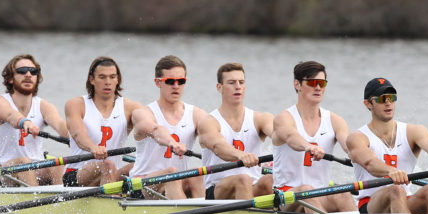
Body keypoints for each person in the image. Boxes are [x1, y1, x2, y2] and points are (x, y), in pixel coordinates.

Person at [348, 77, 428, 214]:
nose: (388, 103)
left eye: (391, 97)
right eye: (382, 99)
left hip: (404, 201)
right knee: (395, 190)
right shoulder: (357, 138)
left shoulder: (413, 131)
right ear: (368, 104)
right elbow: (369, 163)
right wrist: (390, 171)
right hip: (371, 204)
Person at [63, 56, 183, 187]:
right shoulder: (76, 104)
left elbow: (153, 128)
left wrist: (171, 142)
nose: (108, 82)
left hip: (112, 173)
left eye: (112, 77)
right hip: (77, 174)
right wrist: (93, 148)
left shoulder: (130, 107)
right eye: (102, 77)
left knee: (141, 167)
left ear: (118, 79)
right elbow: (78, 135)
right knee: (107, 164)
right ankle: (115, 203)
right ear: (92, 80)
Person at [271, 60, 356, 213]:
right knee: (306, 190)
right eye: (312, 82)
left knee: (343, 193)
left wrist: (363, 156)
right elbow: (291, 137)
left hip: (319, 194)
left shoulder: (335, 120)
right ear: (297, 85)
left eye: (322, 83)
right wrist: (309, 146)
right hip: (286, 196)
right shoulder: (284, 118)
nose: (318, 87)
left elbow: (349, 146)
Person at [130, 55, 206, 199]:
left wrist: (242, 155)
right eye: (170, 81)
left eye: (181, 81)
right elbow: (155, 130)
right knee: (171, 172)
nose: (176, 86)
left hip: (177, 182)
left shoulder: (196, 114)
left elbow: (215, 135)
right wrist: (172, 143)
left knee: (198, 174)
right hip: (143, 185)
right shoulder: (143, 113)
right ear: (158, 83)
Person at [197, 62, 274, 199]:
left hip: (252, 187)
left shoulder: (260, 118)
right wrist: (240, 155)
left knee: (270, 179)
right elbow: (218, 147)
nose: (238, 87)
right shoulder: (209, 122)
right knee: (243, 179)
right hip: (218, 191)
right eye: (231, 83)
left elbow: (279, 135)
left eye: (241, 82)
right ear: (219, 87)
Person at [0, 54, 67, 186]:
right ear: (10, 79)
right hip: (4, 171)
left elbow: (61, 125)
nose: (28, 75)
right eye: (22, 71)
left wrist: (77, 139)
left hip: (35, 168)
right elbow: (10, 115)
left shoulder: (43, 106)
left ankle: (61, 201)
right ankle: (38, 202)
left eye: (33, 71)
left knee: (57, 164)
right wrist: (24, 122)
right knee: (24, 162)